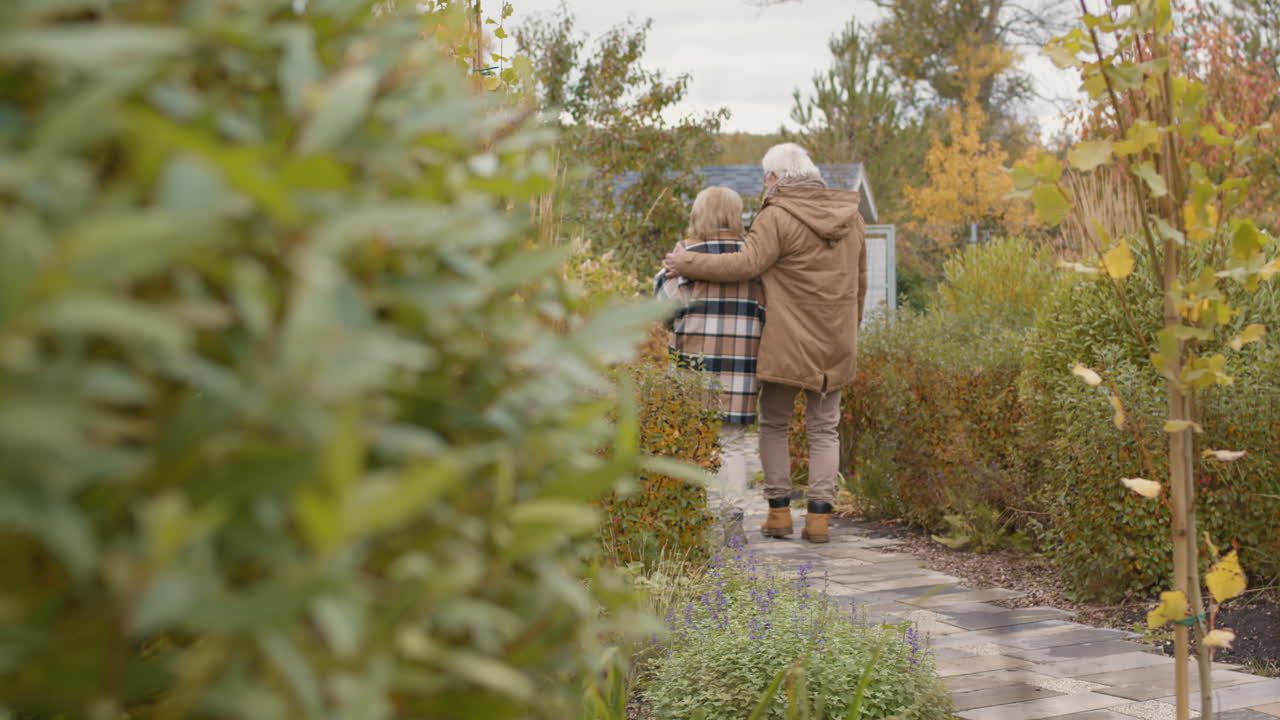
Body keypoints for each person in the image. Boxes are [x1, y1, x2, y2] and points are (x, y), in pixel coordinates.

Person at [663, 143, 867, 544]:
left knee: (775, 424)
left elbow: (745, 264)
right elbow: (860, 284)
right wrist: (850, 332)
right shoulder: (852, 219)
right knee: (825, 429)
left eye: (764, 177)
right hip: (836, 339)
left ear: (775, 177)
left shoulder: (777, 217)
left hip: (787, 338)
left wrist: (686, 263)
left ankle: (778, 515)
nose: (763, 185)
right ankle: (820, 520)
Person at [654, 186, 766, 535]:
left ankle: (695, 516)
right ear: (737, 216)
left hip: (692, 369)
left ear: (698, 215)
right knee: (733, 443)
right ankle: (732, 518)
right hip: (741, 367)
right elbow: (766, 313)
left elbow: (663, 315)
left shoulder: (680, 263)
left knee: (692, 443)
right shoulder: (755, 263)